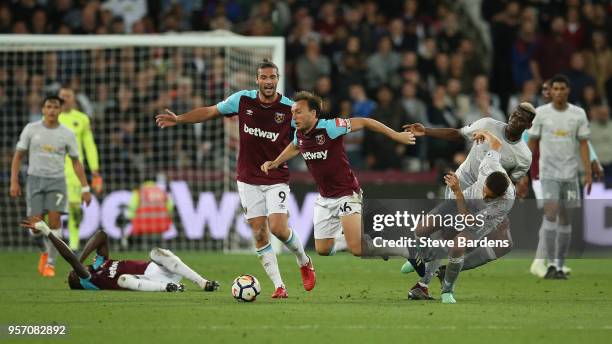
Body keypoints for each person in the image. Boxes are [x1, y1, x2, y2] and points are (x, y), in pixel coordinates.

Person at [156, 59, 314, 298]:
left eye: (273, 77)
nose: (268, 82)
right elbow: (210, 111)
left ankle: (304, 261)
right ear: (257, 79)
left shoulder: (289, 109)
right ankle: (279, 286)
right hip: (248, 179)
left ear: (278, 79)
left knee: (280, 230)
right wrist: (180, 119)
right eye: (264, 78)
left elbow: (304, 136)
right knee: (259, 232)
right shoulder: (242, 100)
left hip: (275, 177)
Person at [401, 103, 535, 299]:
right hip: (461, 185)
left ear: (528, 126)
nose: (515, 120)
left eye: (521, 119)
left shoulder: (523, 156)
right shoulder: (488, 124)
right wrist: (426, 131)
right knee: (446, 234)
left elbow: (510, 180)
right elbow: (458, 133)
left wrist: (504, 202)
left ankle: (427, 278)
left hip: (487, 199)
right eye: (514, 115)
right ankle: (424, 272)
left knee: (458, 239)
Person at [261, 91, 415, 257]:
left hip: (346, 193)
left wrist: (396, 135)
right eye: (292, 113)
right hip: (325, 197)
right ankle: (364, 241)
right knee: (323, 249)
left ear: (313, 114)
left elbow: (364, 121)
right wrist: (276, 161)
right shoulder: (300, 133)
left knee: (357, 249)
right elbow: (295, 146)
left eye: (298, 112)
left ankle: (406, 250)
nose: (293, 117)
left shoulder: (331, 127)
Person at [414, 130, 515, 304]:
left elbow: (468, 221)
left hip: (477, 217)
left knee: (457, 246)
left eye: (490, 197)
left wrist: (458, 191)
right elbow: (497, 144)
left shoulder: (505, 202)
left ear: (500, 195)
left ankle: (447, 290)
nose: (485, 198)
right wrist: (485, 133)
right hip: (466, 198)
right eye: (485, 192)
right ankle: (423, 257)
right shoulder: (490, 165)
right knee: (421, 228)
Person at [10, 95, 92, 277]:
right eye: (49, 106)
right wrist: (14, 181)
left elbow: (76, 162)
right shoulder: (31, 130)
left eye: (55, 107)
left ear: (60, 110)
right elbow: (18, 156)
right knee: (35, 226)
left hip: (57, 182)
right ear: (43, 110)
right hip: (35, 180)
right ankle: (44, 252)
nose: (52, 110)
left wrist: (85, 188)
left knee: (55, 222)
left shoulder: (67, 134)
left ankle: (50, 264)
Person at [528, 79, 603, 277]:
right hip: (546, 174)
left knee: (565, 218)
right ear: (551, 92)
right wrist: (523, 171)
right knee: (550, 214)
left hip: (570, 175)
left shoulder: (578, 114)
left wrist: (588, 170)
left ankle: (559, 265)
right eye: (555, 89)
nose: (558, 92)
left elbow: (584, 143)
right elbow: (530, 142)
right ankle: (548, 263)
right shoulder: (540, 114)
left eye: (562, 88)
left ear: (568, 91)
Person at [20, 220, 219, 292]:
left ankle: (203, 282)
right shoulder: (92, 280)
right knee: (123, 279)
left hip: (160, 270)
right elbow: (69, 258)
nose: (74, 272)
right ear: (80, 282)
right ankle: (169, 288)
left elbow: (102, 235)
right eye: (74, 275)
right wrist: (47, 231)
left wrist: (80, 260)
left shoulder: (100, 263)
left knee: (156, 252)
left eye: (73, 272)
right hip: (150, 283)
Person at [58, 86, 103, 252]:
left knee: (75, 208)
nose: (65, 99)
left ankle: (74, 244)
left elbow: (89, 145)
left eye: (68, 96)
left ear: (73, 99)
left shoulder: (82, 119)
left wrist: (95, 169)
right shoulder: (50, 117)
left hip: (76, 171)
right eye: (62, 96)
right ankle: (53, 241)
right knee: (52, 208)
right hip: (54, 169)